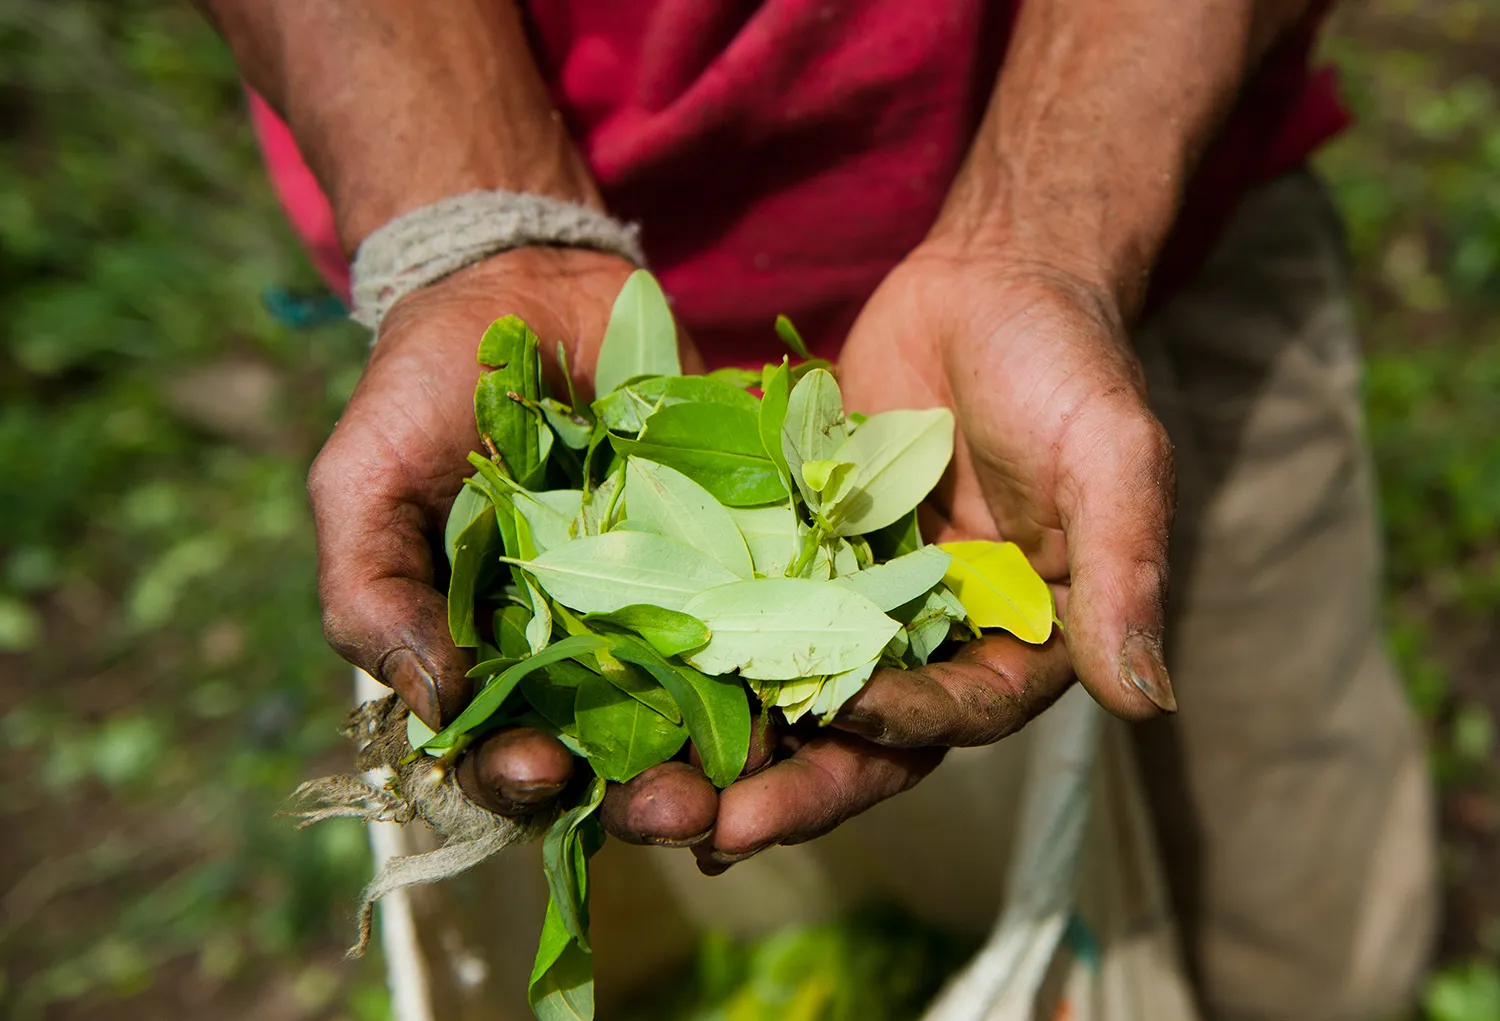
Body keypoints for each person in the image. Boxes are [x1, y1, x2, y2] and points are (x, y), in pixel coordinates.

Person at [198, 0, 1437, 1017]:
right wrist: (480, 230)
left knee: (1302, 917)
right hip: (549, 311)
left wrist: (1052, 225)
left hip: (1152, 205)